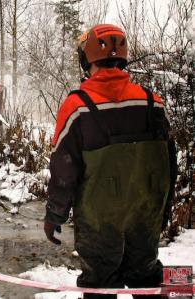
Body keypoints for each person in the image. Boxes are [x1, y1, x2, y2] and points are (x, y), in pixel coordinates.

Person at [43, 24, 177, 299]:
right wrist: (163, 211)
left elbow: (63, 169)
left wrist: (55, 214)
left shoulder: (77, 106)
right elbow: (168, 166)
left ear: (87, 59)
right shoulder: (153, 103)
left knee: (99, 286)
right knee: (148, 280)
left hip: (99, 224)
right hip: (145, 219)